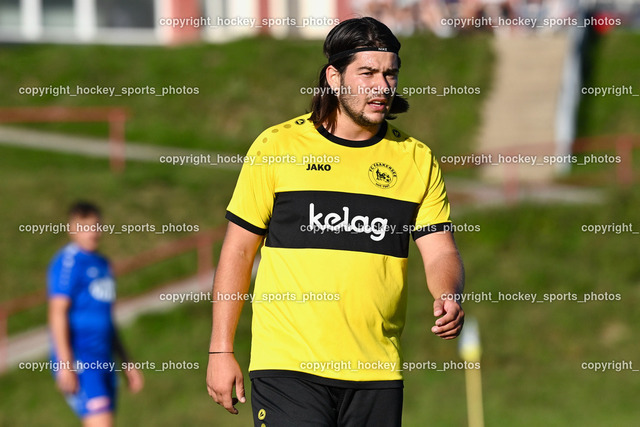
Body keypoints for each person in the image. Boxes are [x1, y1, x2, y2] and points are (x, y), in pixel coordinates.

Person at [206, 17, 464, 427]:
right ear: (334, 76)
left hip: (377, 373)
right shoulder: (278, 146)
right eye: (367, 73)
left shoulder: (416, 159)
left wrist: (448, 292)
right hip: (288, 368)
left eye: (390, 74)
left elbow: (440, 250)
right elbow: (238, 250)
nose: (382, 87)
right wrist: (221, 350)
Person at [48, 202, 143, 426]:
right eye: (85, 227)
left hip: (104, 358)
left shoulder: (103, 264)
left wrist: (126, 362)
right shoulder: (68, 262)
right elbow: (57, 313)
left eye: (96, 226)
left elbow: (108, 320)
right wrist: (64, 363)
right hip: (81, 358)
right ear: (72, 228)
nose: (92, 232)